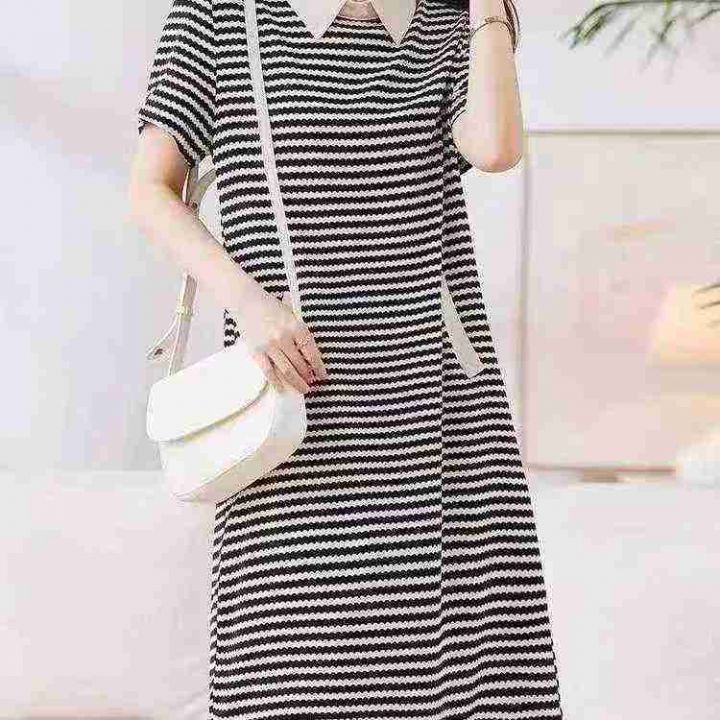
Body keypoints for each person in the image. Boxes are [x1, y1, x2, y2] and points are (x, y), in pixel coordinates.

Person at [128, 0, 564, 716]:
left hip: (434, 416)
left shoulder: (450, 21)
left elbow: (494, 148)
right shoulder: (222, 14)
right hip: (291, 409)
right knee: (289, 678)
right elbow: (151, 191)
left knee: (458, 686)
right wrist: (251, 306)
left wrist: (488, 12)